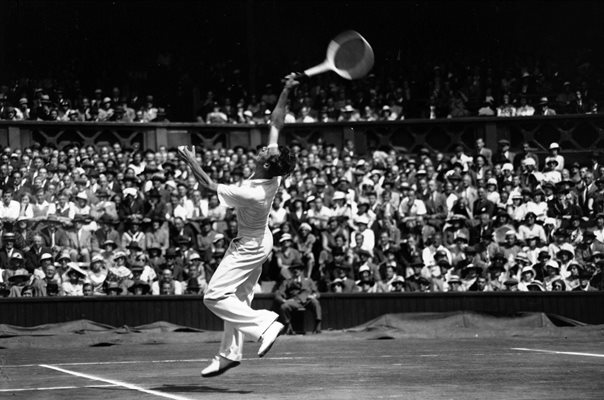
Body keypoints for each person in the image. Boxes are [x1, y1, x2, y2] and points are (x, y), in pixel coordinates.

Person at [178, 75, 299, 378]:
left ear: (269, 165)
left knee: (214, 297)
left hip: (249, 246)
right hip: (262, 240)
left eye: (267, 153)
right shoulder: (272, 173)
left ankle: (263, 325)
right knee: (238, 298)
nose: (263, 149)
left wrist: (190, 159)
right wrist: (286, 89)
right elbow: (277, 122)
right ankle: (229, 354)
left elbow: (207, 186)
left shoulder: (253, 193)